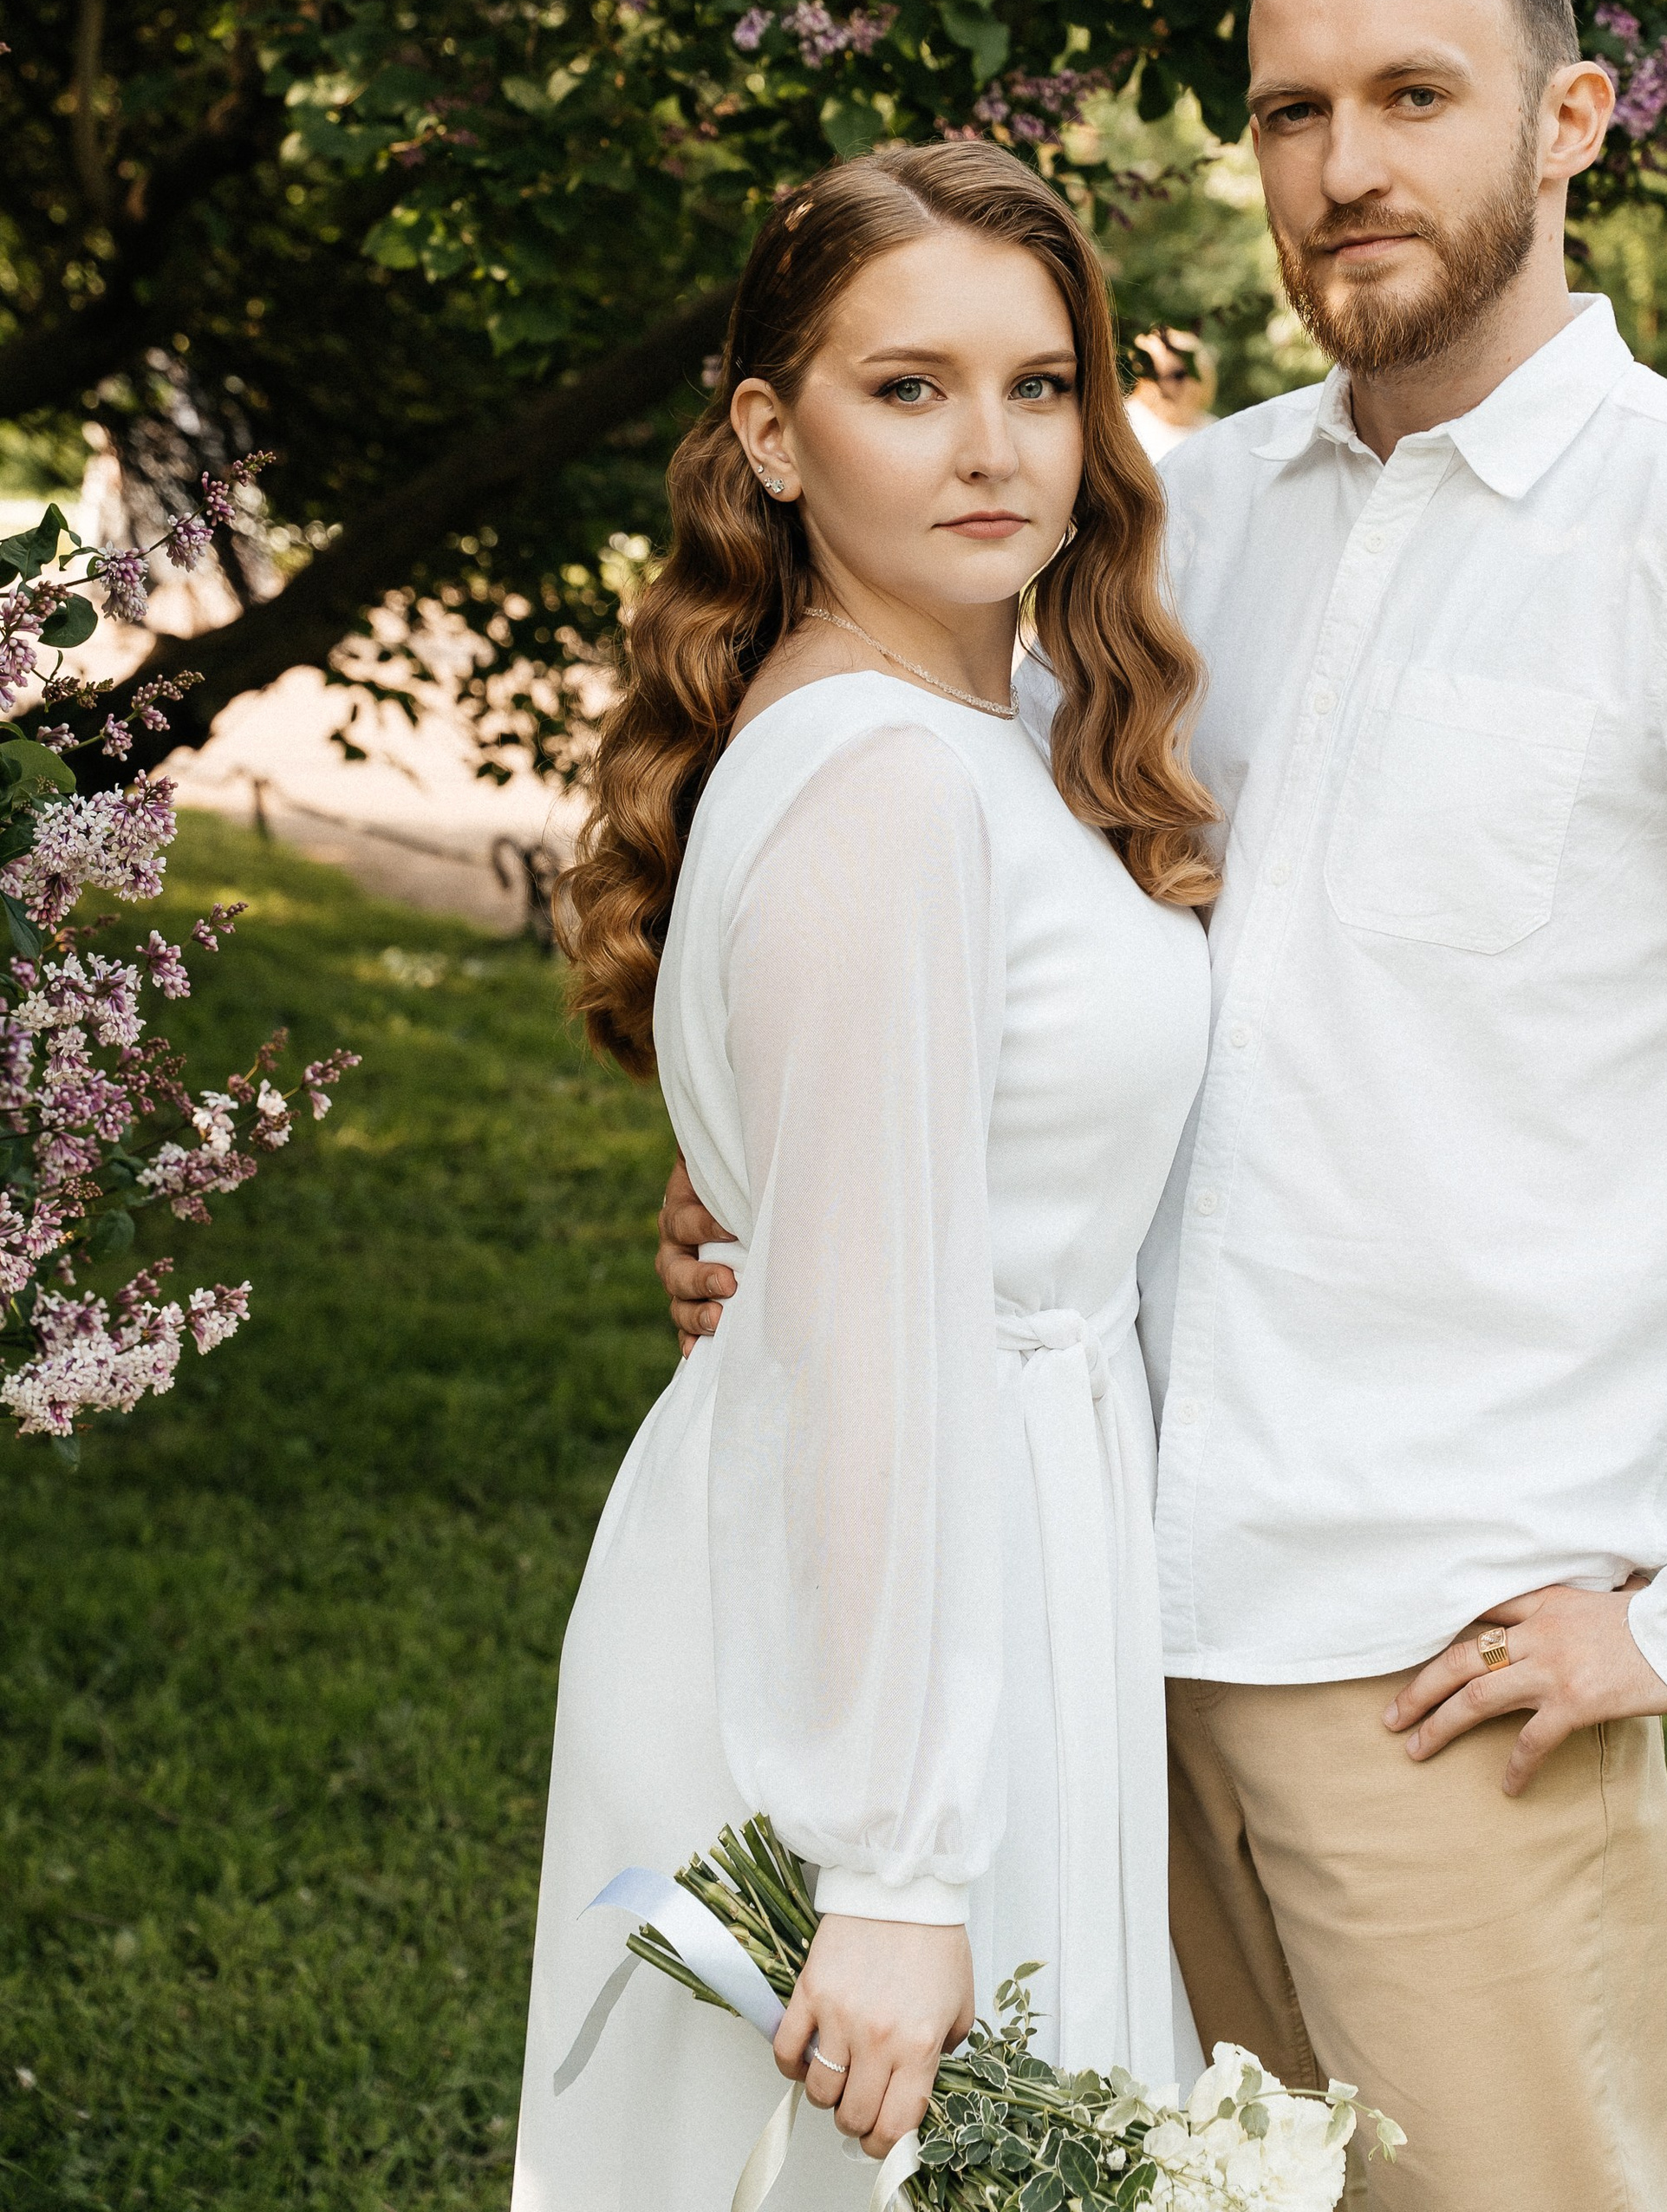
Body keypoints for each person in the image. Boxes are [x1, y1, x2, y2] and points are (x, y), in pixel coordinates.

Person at [659, 0, 1667, 2212]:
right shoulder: (1185, 527)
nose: (1347, 168)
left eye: (1416, 94)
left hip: (1441, 1656)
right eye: (1294, 110)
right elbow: (977, 937)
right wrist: (768, 1209)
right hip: (1094, 1600)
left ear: (1569, 118)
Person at [514, 145, 1217, 2212]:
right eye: (906, 386)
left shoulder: (972, 717)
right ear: (769, 431)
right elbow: (870, 1341)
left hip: (997, 1532)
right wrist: (895, 1864)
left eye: (1040, 383)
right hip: (896, 1622)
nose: (990, 448)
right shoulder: (890, 780)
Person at [1125, 326, 1220, 465]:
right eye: (1154, 375)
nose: (1163, 385)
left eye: (1177, 374)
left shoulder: (1215, 431)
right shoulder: (1123, 425)